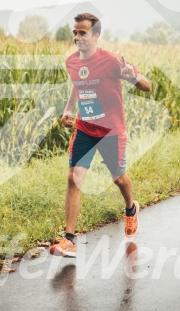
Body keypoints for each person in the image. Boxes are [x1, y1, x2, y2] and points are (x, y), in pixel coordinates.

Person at [50, 13, 151, 258]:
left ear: (96, 36)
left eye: (82, 33)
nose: (77, 37)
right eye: (75, 32)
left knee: (119, 178)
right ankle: (69, 240)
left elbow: (147, 86)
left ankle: (131, 208)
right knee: (74, 178)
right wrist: (67, 109)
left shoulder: (113, 61)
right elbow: (77, 84)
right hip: (85, 128)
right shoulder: (72, 61)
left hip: (111, 131)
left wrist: (132, 77)